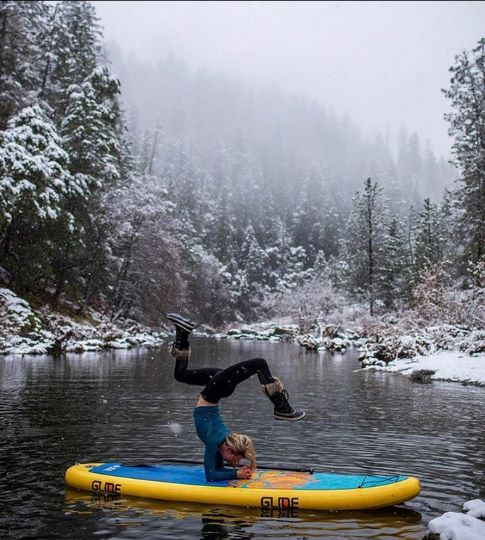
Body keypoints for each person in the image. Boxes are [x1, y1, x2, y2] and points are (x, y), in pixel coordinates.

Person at [166, 313, 305, 482]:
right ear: (230, 450)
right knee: (259, 363)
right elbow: (212, 474)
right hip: (217, 388)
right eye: (235, 460)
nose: (233, 463)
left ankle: (183, 334)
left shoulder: (215, 444)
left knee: (181, 375)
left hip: (216, 388)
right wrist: (237, 474)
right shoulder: (216, 442)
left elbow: (213, 472)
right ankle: (281, 408)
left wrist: (237, 473)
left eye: (234, 462)